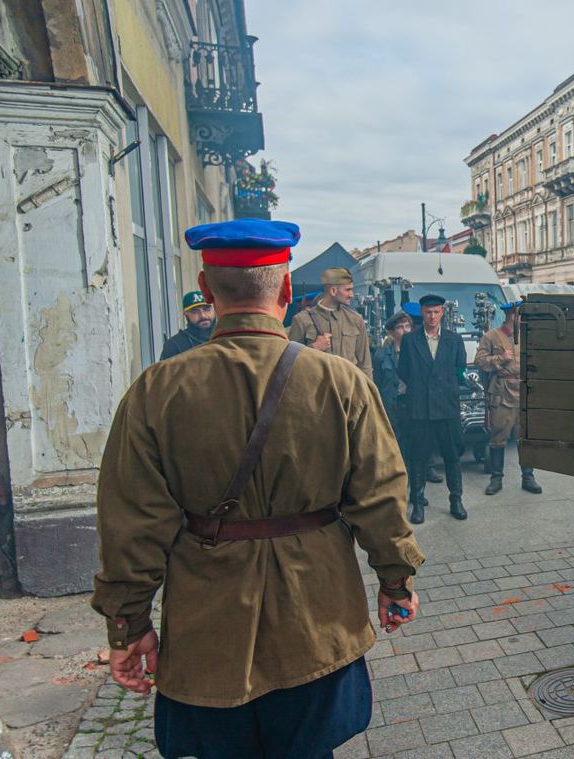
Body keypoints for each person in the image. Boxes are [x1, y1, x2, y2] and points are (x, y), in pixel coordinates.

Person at [91, 218, 424, 759]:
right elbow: (380, 495)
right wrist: (395, 579)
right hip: (317, 620)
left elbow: (131, 523)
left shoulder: (156, 390)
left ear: (206, 288)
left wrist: (129, 625)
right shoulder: (342, 382)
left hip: (207, 626)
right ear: (287, 290)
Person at [398, 293, 467, 523]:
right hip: (420, 409)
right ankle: (418, 504)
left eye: (436, 312)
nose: (432, 316)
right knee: (418, 457)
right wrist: (421, 390)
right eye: (428, 312)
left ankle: (456, 500)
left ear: (443, 313)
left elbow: (460, 369)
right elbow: (404, 371)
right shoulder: (410, 340)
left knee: (452, 455)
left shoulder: (454, 340)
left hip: (447, 407)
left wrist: (445, 387)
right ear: (422, 313)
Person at [475, 301, 542, 496]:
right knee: (498, 437)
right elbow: (479, 361)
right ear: (509, 315)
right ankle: (496, 479)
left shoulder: (530, 336)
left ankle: (528, 477)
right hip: (502, 392)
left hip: (525, 392)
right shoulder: (491, 336)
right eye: (518, 315)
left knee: (526, 438)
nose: (521, 319)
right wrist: (500, 358)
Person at [288, 267, 373, 380]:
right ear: (333, 291)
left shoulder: (355, 319)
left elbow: (365, 365)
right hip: (317, 394)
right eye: (347, 290)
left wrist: (368, 394)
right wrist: (314, 347)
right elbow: (290, 363)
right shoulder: (302, 320)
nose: (352, 294)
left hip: (348, 392)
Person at [159, 291, 215, 360]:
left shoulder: (225, 336)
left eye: (206, 309)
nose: (203, 315)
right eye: (195, 312)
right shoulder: (174, 345)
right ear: (185, 314)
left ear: (214, 309)